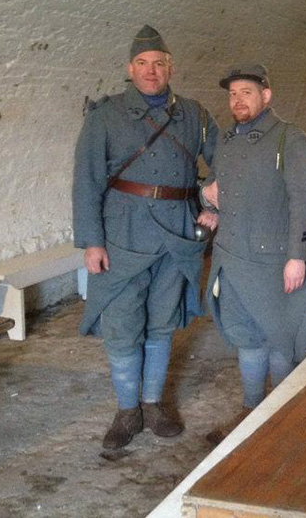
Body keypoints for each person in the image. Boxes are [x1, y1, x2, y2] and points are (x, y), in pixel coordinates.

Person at [72, 25, 219, 450]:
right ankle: (127, 410)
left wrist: (213, 206)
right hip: (122, 232)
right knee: (122, 324)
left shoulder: (194, 115)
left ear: (171, 67)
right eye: (142, 64)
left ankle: (152, 404)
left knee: (161, 321)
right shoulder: (105, 116)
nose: (151, 71)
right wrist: (93, 242)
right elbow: (86, 182)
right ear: (129, 69)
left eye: (158, 63)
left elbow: (227, 160)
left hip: (177, 231)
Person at [200, 63, 306, 444]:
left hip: (274, 262)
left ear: (266, 96)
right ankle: (251, 411)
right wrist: (208, 196)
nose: (238, 100)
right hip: (231, 259)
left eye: (247, 93)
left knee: (279, 338)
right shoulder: (227, 141)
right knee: (247, 337)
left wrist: (297, 256)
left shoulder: (290, 139)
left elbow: (305, 199)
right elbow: (218, 184)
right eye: (233, 94)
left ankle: (281, 418)